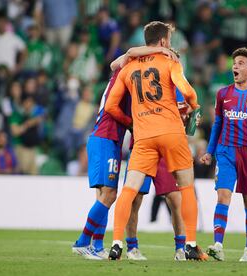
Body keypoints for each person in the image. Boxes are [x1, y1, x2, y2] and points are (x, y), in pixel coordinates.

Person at [105, 21, 204, 261]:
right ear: (162, 41)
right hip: (171, 133)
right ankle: (189, 245)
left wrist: (131, 122)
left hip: (143, 136)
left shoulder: (128, 67)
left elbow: (110, 106)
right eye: (169, 40)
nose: (171, 45)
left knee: (129, 190)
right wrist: (194, 107)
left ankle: (117, 244)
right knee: (185, 189)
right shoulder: (170, 61)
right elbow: (187, 91)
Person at [71, 45, 179, 261]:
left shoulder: (128, 76)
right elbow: (126, 58)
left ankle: (97, 245)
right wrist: (132, 123)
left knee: (105, 195)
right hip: (105, 137)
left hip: (110, 139)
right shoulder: (127, 72)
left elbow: (117, 62)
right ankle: (82, 242)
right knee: (109, 195)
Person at [200, 47, 247, 262]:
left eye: (240, 63)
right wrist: (209, 152)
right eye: (235, 63)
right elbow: (217, 125)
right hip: (226, 151)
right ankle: (218, 245)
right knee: (223, 195)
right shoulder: (223, 93)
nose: (235, 66)